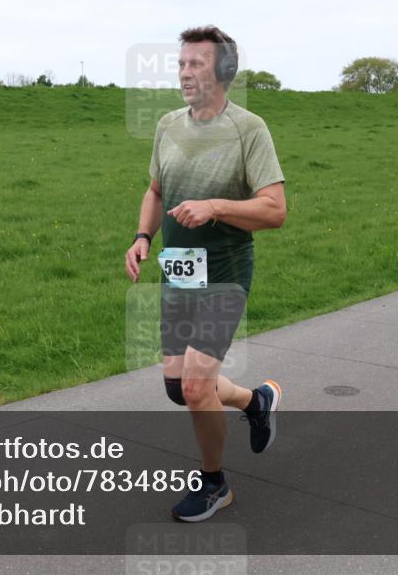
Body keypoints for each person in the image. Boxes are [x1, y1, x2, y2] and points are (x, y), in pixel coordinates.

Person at [124, 26, 287, 522]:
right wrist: (142, 238)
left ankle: (214, 484)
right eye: (181, 64)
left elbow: (275, 210)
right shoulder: (168, 125)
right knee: (181, 389)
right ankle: (256, 402)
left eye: (196, 64)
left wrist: (215, 206)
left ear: (224, 72)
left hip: (225, 271)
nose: (185, 72)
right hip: (179, 270)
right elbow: (155, 190)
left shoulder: (249, 129)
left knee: (197, 388)